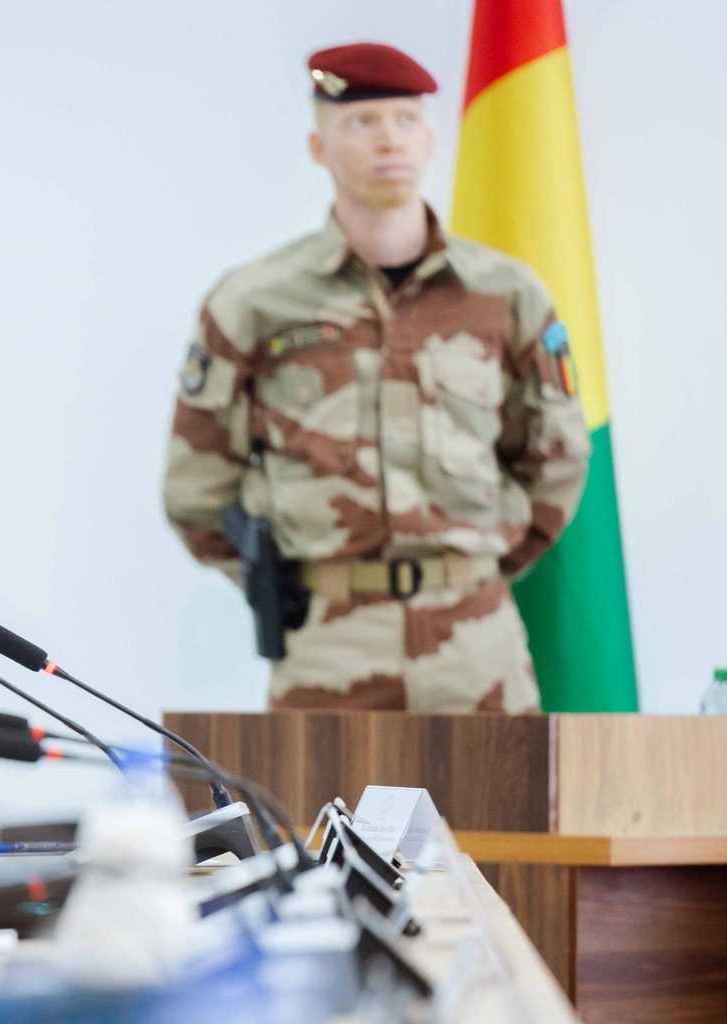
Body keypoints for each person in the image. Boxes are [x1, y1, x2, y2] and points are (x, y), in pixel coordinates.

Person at [161, 42, 591, 713]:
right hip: (328, 649)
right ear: (318, 146)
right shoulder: (255, 301)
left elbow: (556, 456)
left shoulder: (506, 294)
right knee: (316, 816)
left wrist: (475, 566)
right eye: (362, 123)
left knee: (498, 820)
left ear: (428, 140)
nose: (388, 139)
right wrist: (293, 576)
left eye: (405, 120)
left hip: (479, 645)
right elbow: (196, 486)